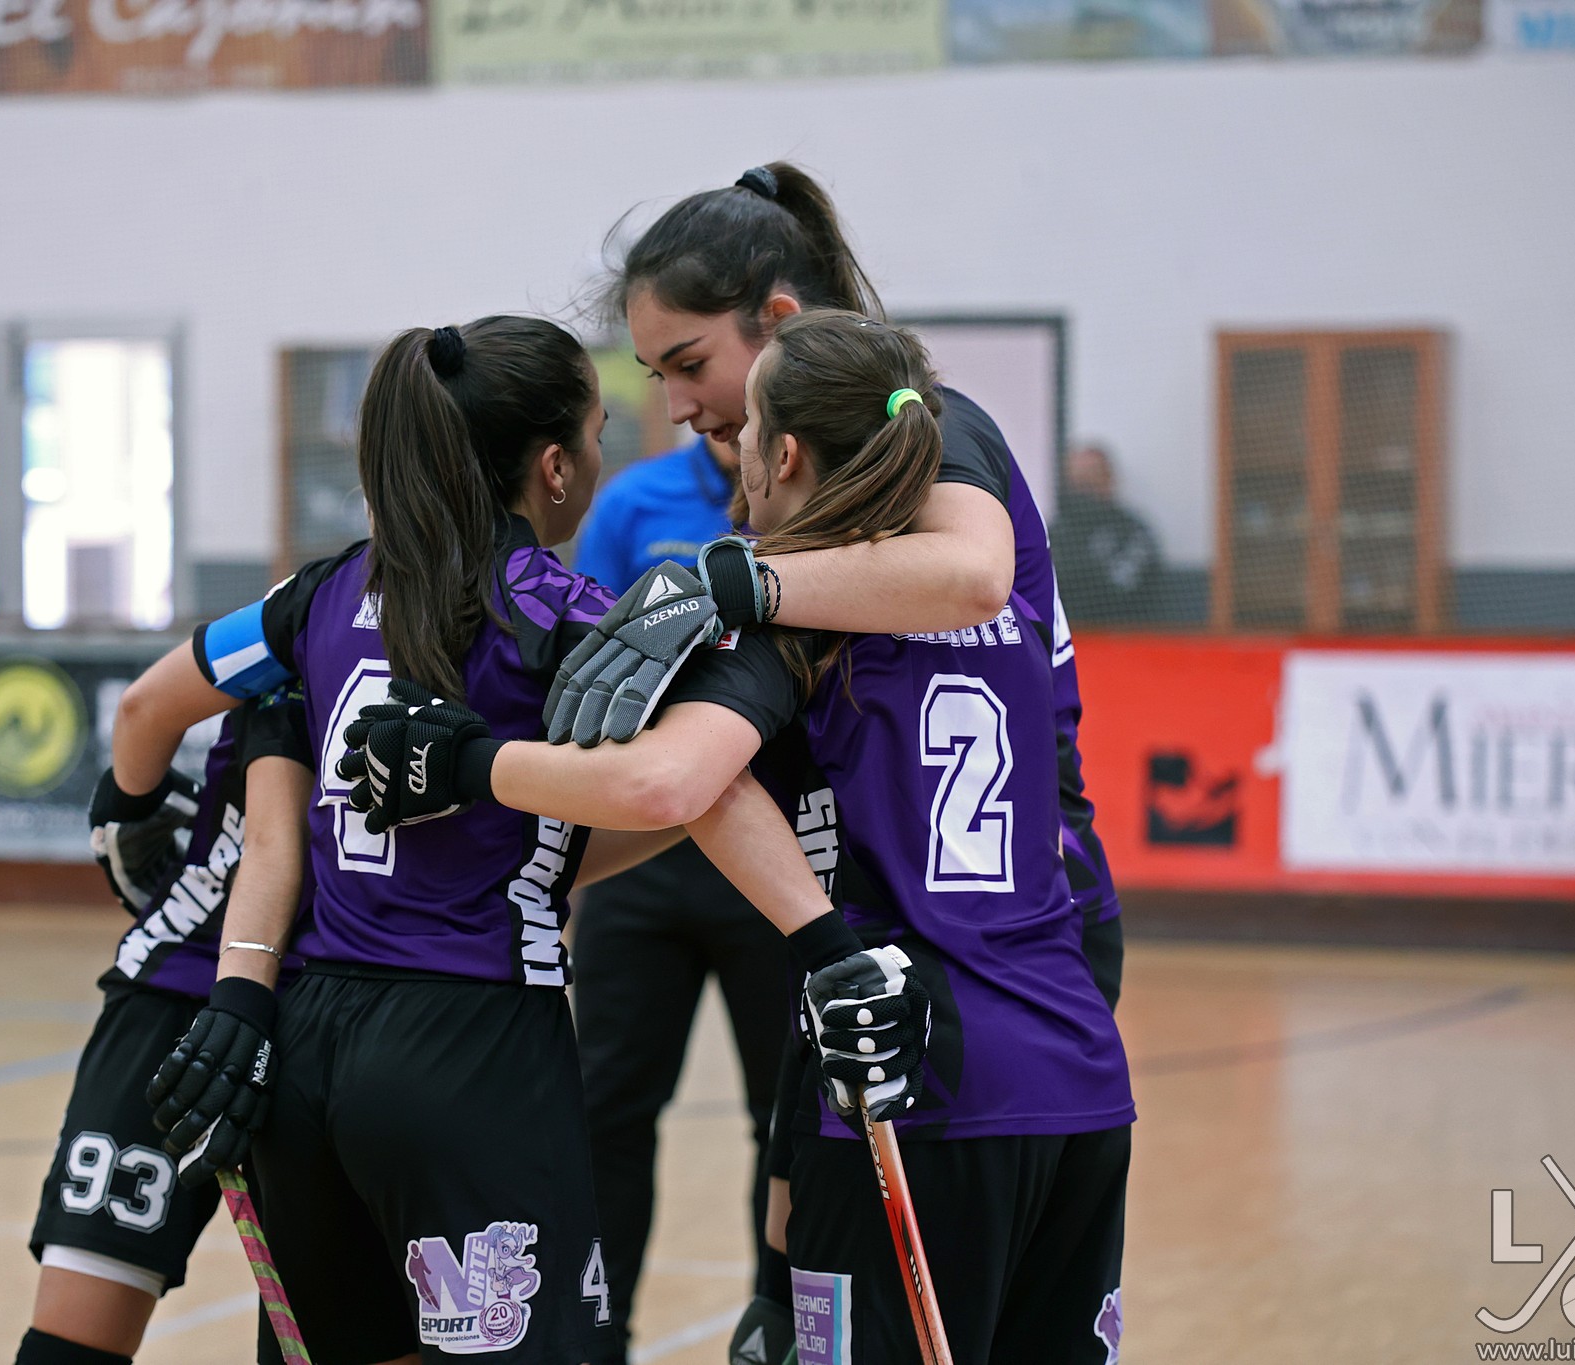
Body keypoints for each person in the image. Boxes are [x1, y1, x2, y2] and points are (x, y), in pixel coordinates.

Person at [349, 310, 1134, 1365]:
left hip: (912, 1070)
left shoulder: (779, 616)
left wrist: (467, 766)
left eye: (745, 432)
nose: (729, 454)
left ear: (786, 453)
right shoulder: (1003, 585)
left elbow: (670, 780)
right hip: (1076, 1066)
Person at [105, 315, 838, 1365]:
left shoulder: (317, 596)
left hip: (306, 1044)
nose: (599, 459)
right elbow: (694, 779)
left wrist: (126, 807)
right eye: (594, 434)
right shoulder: (565, 613)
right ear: (553, 467)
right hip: (472, 1044)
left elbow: (151, 703)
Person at [551, 162, 1124, 1358]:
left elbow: (674, 780)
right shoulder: (844, 559)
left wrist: (473, 787)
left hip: (938, 996)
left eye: (689, 366)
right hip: (1053, 1017)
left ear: (776, 329)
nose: (678, 406)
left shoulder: (908, 467)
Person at [568, 432, 794, 1365]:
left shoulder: (808, 496)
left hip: (771, 854)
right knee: (607, 1111)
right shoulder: (634, 502)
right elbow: (582, 658)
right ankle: (596, 1337)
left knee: (784, 1123)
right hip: (642, 858)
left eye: (691, 367)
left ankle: (777, 1332)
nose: (684, 400)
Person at [16, 686, 311, 1365]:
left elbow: (141, 709)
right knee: (332, 1332)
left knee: (74, 1340)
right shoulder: (491, 634)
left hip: (185, 978)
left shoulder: (283, 627)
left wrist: (126, 800)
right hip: (340, 991)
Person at [1052, 441, 1166, 625]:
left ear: (1109, 478)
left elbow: (1123, 592)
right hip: (1064, 632)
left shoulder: (1132, 532)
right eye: (1076, 480)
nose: (1082, 487)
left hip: (1123, 633)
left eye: (1090, 478)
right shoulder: (1054, 532)